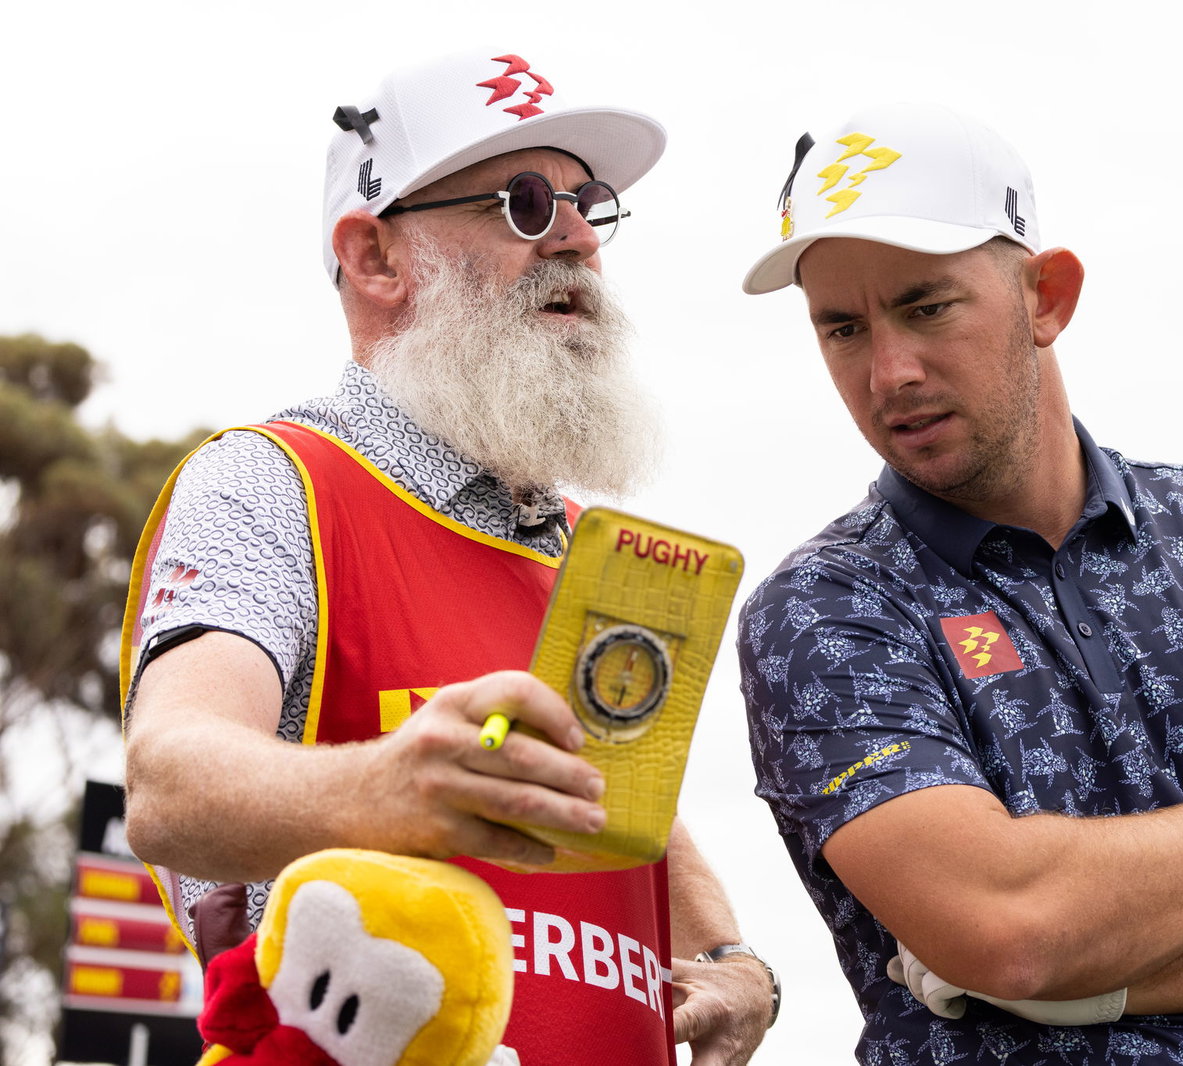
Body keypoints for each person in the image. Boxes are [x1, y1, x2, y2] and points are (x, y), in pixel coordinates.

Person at [735, 102, 1183, 1064]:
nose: (889, 371)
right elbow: (1015, 926)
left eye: (926, 306)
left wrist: (1088, 991)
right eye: (841, 328)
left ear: (1048, 296)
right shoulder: (823, 611)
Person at [119, 49, 775, 1063]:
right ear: (376, 259)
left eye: (586, 203)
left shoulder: (570, 538)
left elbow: (623, 810)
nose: (573, 239)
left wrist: (728, 955)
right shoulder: (275, 479)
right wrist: (384, 784)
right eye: (521, 203)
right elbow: (168, 782)